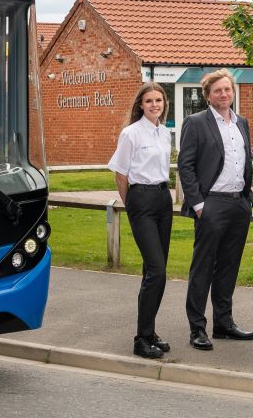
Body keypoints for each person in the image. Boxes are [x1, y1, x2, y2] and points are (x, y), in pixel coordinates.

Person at [177, 69, 253, 351]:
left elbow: (244, 161)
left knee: (229, 267)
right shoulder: (196, 122)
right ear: (208, 96)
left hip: (238, 204)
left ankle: (224, 323)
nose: (223, 94)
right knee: (203, 268)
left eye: (227, 89)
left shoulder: (241, 122)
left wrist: (247, 199)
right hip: (211, 204)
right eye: (218, 91)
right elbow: (185, 165)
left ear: (233, 92)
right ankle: (197, 328)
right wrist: (199, 204)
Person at [108, 82, 174, 359]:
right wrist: (133, 205)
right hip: (141, 200)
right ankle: (141, 339)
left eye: (158, 100)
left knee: (156, 272)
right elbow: (120, 174)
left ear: (164, 103)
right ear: (141, 105)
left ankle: (150, 332)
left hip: (163, 199)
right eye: (149, 101)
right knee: (156, 270)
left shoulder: (165, 133)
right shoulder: (131, 133)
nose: (154, 105)